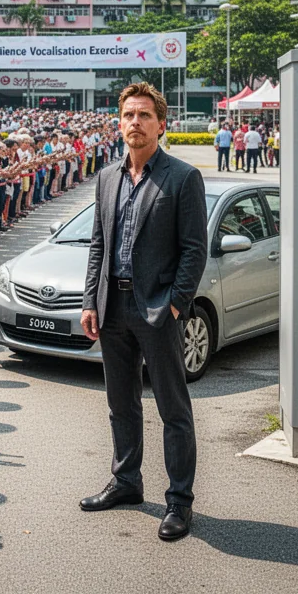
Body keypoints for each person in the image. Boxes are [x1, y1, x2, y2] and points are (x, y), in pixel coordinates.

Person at [81, 82, 208, 542]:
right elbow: (100, 245)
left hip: (157, 309)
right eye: (128, 115)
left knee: (173, 408)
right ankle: (127, 481)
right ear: (119, 122)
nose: (135, 123)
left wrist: (175, 304)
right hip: (113, 307)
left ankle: (179, 502)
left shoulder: (182, 177)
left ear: (161, 124)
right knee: (121, 403)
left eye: (144, 116)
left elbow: (195, 251)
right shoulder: (107, 177)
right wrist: (90, 301)